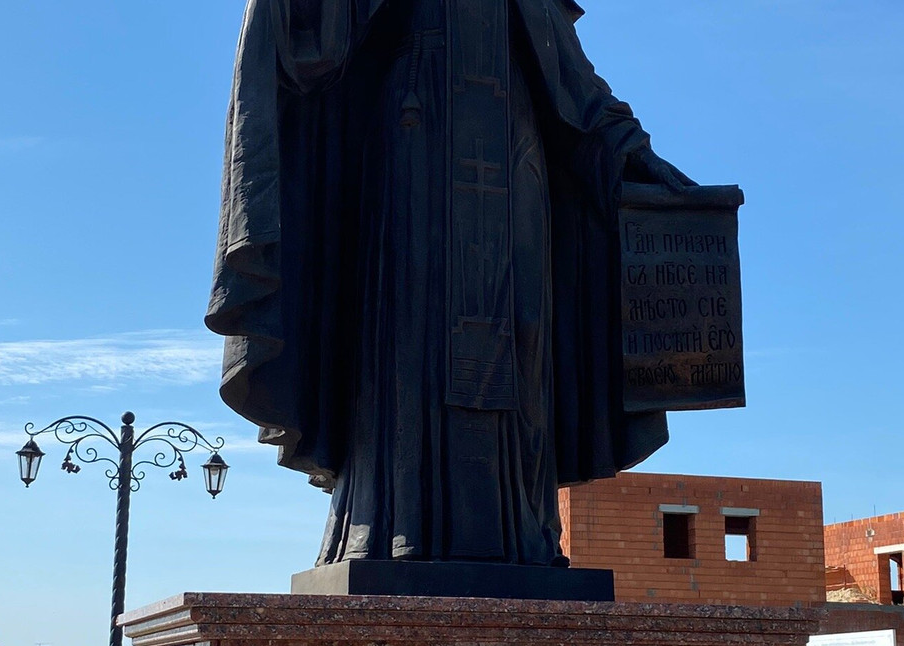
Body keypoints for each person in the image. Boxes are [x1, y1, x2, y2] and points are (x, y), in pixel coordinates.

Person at [206, 0, 696, 566]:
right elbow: (313, 34)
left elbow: (570, 73)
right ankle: (396, 524)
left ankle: (522, 536)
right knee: (412, 326)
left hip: (515, 149)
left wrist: (637, 153)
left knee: (525, 332)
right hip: (421, 135)